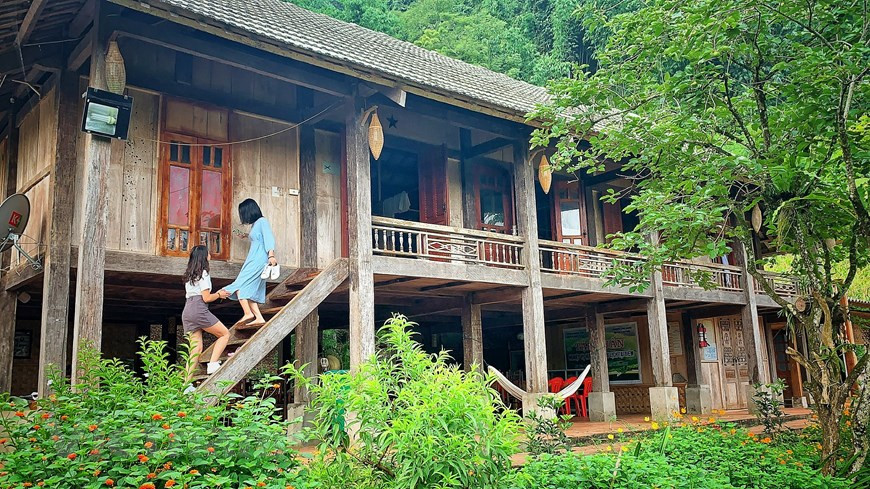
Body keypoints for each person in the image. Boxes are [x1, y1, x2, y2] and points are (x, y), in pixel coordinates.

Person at [220, 198, 277, 326]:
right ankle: (259, 317)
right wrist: (245, 235)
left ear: (249, 211)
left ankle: (248, 313)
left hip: (258, 259)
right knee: (249, 289)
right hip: (253, 258)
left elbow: (268, 238)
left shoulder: (262, 221)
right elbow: (258, 238)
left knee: (240, 285)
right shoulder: (255, 224)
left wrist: (271, 255)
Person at [181, 245, 229, 378]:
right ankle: (213, 364)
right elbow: (206, 298)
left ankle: (185, 384)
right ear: (204, 256)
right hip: (198, 309)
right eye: (208, 253)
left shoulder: (189, 276)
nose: (210, 255)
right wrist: (219, 294)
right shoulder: (204, 273)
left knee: (195, 350)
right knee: (224, 334)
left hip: (187, 310)